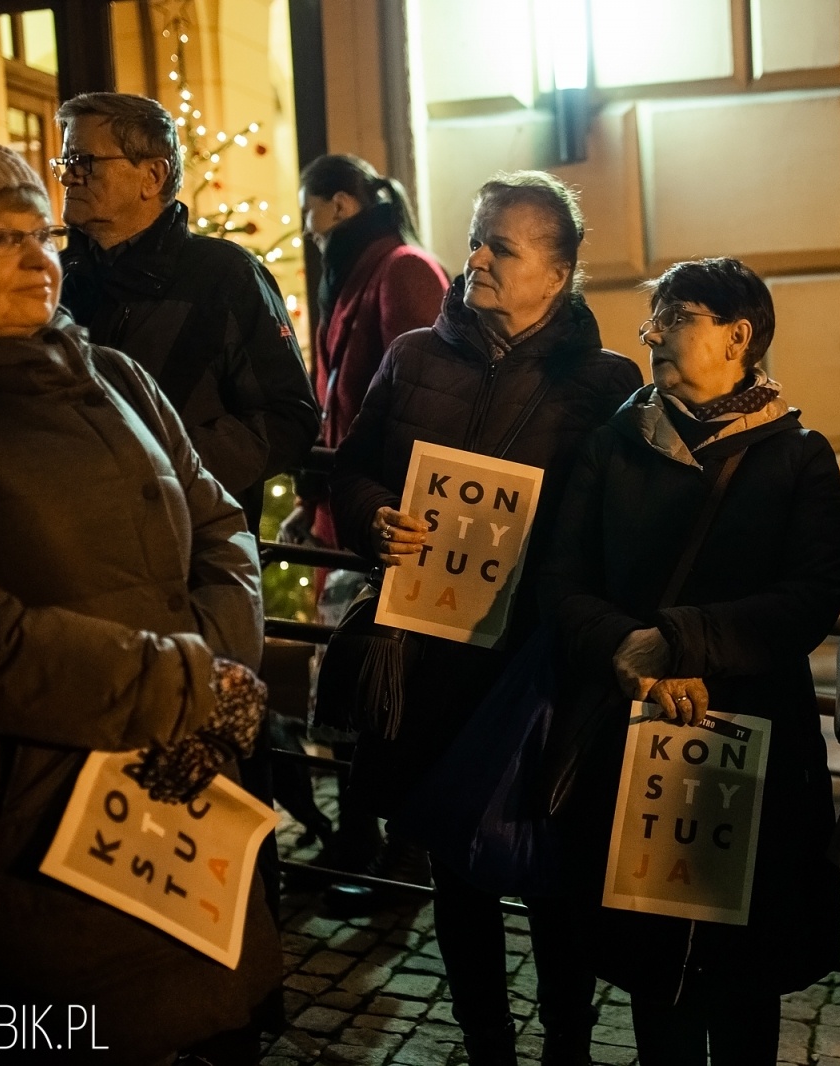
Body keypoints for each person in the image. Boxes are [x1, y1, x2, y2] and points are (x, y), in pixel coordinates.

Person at [0, 134, 279, 1064]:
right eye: (0, 237)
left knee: (207, 1028)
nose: (40, 257)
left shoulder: (112, 376)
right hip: (23, 839)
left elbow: (221, 528)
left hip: (180, 800)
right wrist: (180, 685)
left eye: (42, 233)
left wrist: (214, 665)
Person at [329, 171, 643, 1065]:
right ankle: (487, 1045)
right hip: (429, 663)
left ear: (558, 272)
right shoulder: (412, 358)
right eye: (475, 238)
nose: (474, 258)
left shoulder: (607, 383)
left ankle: (567, 1045)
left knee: (552, 877)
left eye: (499, 246)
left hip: (537, 673)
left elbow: (626, 530)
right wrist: (373, 517)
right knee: (454, 875)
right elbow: (349, 471)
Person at [539, 257, 840, 1065]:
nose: (652, 334)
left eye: (674, 317)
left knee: (746, 982)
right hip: (637, 743)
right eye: (655, 318)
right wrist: (626, 647)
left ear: (738, 337)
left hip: (756, 754)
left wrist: (677, 638)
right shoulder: (613, 445)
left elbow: (812, 597)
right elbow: (561, 583)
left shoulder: (799, 455)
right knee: (656, 983)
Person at [55, 91, 319, 530]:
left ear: (152, 176)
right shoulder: (56, 280)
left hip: (193, 545)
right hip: (79, 541)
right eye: (66, 162)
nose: (69, 176)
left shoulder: (225, 276)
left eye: (85, 162)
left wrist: (164, 470)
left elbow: (288, 418)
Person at [278, 153, 447, 554]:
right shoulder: (358, 275)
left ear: (339, 204)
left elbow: (424, 408)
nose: (306, 228)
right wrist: (309, 504)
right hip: (351, 515)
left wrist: (381, 511)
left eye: (308, 210)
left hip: (383, 526)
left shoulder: (403, 270)